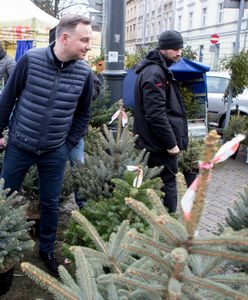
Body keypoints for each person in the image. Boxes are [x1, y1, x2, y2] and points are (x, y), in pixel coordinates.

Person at [0, 14, 94, 277]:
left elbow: (83, 114)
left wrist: (68, 145)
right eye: (84, 40)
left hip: (54, 150)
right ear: (64, 38)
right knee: (3, 197)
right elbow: (7, 99)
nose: (89, 46)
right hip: (20, 144)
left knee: (51, 203)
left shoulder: (84, 73)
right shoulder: (30, 60)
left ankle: (47, 250)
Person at [133, 30, 188, 213]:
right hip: (159, 145)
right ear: (163, 48)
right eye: (175, 48)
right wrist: (171, 143)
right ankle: (169, 226)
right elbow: (156, 114)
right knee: (168, 184)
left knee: (160, 185)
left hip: (154, 142)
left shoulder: (158, 70)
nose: (179, 52)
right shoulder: (155, 73)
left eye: (180, 48)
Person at [49, 25, 102, 208]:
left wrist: (76, 93)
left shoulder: (83, 67)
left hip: (73, 133)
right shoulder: (42, 62)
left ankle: (83, 205)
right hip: (48, 133)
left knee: (78, 167)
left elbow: (95, 89)